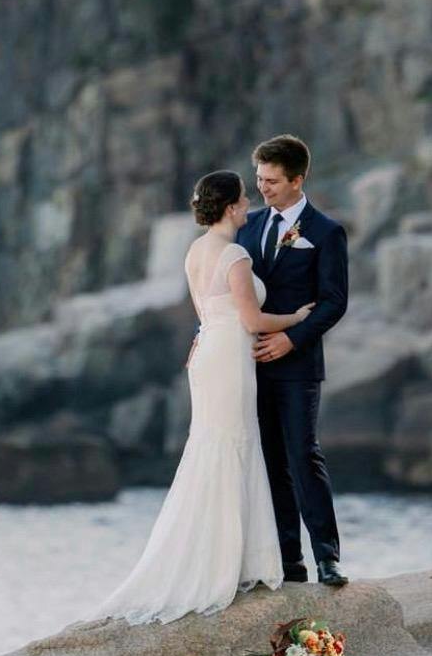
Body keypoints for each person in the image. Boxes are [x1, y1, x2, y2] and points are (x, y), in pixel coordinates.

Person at [91, 170, 314, 625]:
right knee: (233, 445)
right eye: (244, 198)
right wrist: (296, 317)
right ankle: (229, 565)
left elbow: (206, 312)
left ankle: (222, 559)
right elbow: (251, 321)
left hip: (209, 352)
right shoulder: (234, 255)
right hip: (230, 357)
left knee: (212, 446)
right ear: (231, 206)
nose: (250, 204)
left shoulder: (195, 251)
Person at [237, 134, 349, 588]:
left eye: (273, 181)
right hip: (248, 364)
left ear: (298, 179)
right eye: (260, 179)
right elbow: (229, 291)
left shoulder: (325, 231)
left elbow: (333, 302)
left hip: (297, 364)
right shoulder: (248, 226)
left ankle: (327, 557)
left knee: (304, 456)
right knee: (269, 462)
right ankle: (289, 562)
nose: (263, 188)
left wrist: (291, 339)